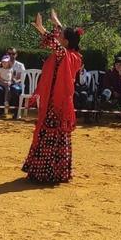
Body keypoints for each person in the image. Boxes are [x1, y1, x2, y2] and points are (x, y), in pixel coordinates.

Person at [22, 11, 83, 185]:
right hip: (58, 101)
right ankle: (55, 172)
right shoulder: (74, 56)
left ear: (65, 41)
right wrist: (58, 23)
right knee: (56, 135)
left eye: (60, 35)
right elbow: (63, 41)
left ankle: (45, 173)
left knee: (49, 134)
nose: (58, 35)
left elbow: (56, 45)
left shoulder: (65, 55)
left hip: (56, 103)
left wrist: (41, 28)